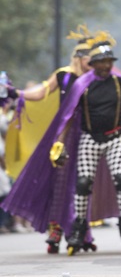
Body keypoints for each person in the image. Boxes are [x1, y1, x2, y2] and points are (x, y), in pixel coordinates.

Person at [1, 32, 121, 255]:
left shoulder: (118, 83)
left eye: (108, 61)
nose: (104, 65)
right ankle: (70, 229)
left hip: (112, 137)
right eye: (97, 60)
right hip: (85, 137)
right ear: (87, 61)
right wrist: (59, 143)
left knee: (120, 179)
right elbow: (62, 111)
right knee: (76, 184)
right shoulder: (72, 80)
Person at [4, 25, 94, 252]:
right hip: (64, 134)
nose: (93, 62)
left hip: (89, 134)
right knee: (59, 183)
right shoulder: (63, 75)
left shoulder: (97, 79)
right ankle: (56, 231)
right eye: (89, 58)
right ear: (80, 57)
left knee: (82, 183)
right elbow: (41, 93)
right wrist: (15, 93)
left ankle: (80, 231)